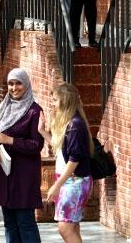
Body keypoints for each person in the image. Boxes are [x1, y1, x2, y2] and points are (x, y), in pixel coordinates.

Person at [0, 68, 44, 242]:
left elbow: (36, 145)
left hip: (23, 177)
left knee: (25, 222)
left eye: (18, 83)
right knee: (9, 223)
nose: (14, 87)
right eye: (10, 83)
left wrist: (11, 140)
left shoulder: (34, 111)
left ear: (26, 85)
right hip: (4, 173)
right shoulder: (5, 107)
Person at [38, 83, 93, 243]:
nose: (53, 103)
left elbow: (74, 160)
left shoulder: (75, 125)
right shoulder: (70, 123)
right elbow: (60, 150)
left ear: (65, 101)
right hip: (70, 180)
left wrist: (57, 185)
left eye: (55, 100)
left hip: (74, 181)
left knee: (65, 228)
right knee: (72, 227)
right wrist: (42, 131)